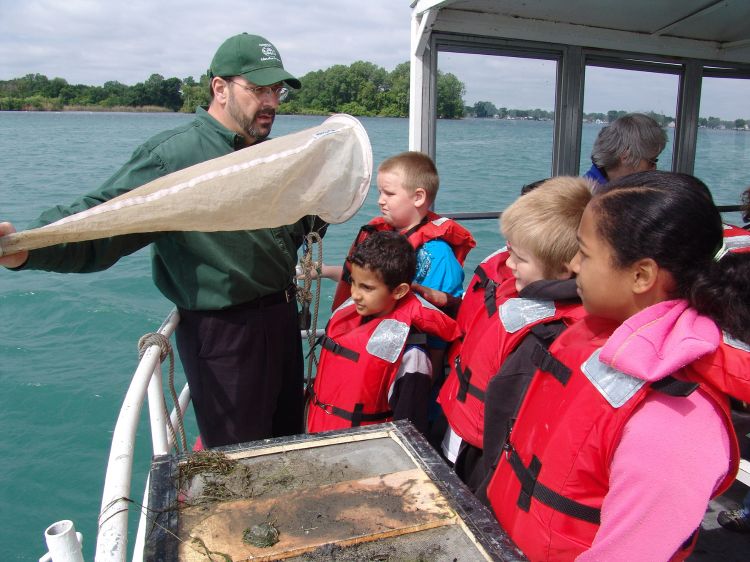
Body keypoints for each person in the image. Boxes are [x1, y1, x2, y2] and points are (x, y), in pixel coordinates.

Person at [0, 33, 325, 449]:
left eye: (276, 90)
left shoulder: (270, 153)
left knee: (286, 447)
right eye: (258, 89)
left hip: (281, 320)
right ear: (220, 88)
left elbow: (295, 229)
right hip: (225, 336)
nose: (272, 103)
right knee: (241, 462)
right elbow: (103, 221)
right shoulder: (173, 157)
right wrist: (25, 248)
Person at [485, 170, 750, 561]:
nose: (573, 265)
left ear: (641, 275)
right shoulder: (599, 334)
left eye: (585, 253)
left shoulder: (676, 420)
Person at [438, 177, 591, 486]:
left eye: (520, 258)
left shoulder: (549, 335)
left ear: (565, 267)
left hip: (485, 464)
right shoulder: (527, 303)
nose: (508, 263)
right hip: (467, 438)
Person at [306, 231, 461, 435]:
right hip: (318, 431)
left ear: (399, 291)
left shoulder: (410, 354)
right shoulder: (347, 315)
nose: (354, 294)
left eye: (367, 288)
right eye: (353, 282)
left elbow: (410, 427)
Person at [325, 151, 475, 314]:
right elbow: (367, 278)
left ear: (418, 197)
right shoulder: (378, 235)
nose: (380, 200)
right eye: (380, 192)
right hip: (357, 333)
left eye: (389, 193)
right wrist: (324, 271)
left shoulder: (438, 255)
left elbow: (440, 317)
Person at [583, 113, 667, 185]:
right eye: (651, 161)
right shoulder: (590, 199)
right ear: (626, 155)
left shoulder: (595, 185)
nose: (654, 168)